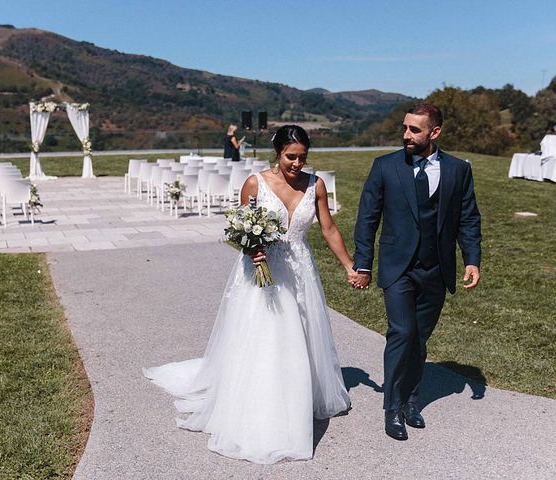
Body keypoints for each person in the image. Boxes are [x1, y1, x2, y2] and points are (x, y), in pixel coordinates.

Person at [144, 125, 360, 464]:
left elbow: (329, 227)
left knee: (302, 332)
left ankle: (299, 394)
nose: (297, 164)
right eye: (291, 157)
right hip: (264, 269)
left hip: (300, 268)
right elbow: (242, 229)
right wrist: (251, 251)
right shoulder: (255, 184)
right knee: (268, 334)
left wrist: (349, 265)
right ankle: (266, 404)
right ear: (277, 152)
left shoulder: (315, 184)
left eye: (303, 157)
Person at [353, 103, 482, 441]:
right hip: (399, 268)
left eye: (414, 130)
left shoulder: (457, 170)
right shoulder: (385, 167)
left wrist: (472, 259)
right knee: (402, 332)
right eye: (405, 128)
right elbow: (367, 219)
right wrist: (363, 264)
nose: (406, 135)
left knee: (420, 338)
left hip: (436, 269)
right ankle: (392, 407)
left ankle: (412, 400)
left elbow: (468, 217)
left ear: (434, 132)